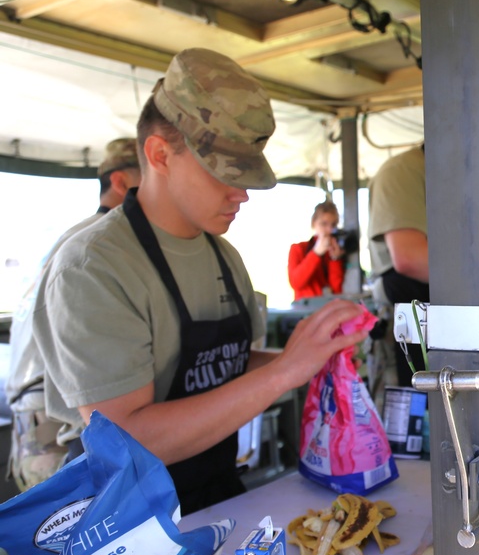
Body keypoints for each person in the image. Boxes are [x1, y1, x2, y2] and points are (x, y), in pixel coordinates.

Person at [32, 48, 368, 514]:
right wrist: (285, 372)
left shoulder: (223, 253)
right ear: (159, 154)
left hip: (216, 495)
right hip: (123, 523)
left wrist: (313, 357)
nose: (242, 193)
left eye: (247, 174)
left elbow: (225, 365)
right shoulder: (95, 265)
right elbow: (126, 438)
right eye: (224, 173)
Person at [5, 137, 141, 490]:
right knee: (58, 533)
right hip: (49, 416)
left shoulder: (85, 236)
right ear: (121, 182)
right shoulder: (98, 246)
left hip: (41, 405)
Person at [367, 145, 428, 387]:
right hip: (406, 322)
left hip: (434, 323)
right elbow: (410, 259)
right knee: (408, 418)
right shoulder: (404, 171)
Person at [287, 200, 345, 299]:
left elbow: (337, 290)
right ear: (314, 223)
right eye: (324, 224)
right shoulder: (298, 249)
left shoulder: (334, 251)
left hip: (329, 308)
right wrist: (316, 253)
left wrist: (335, 259)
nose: (329, 230)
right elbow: (296, 283)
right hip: (305, 310)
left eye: (333, 225)